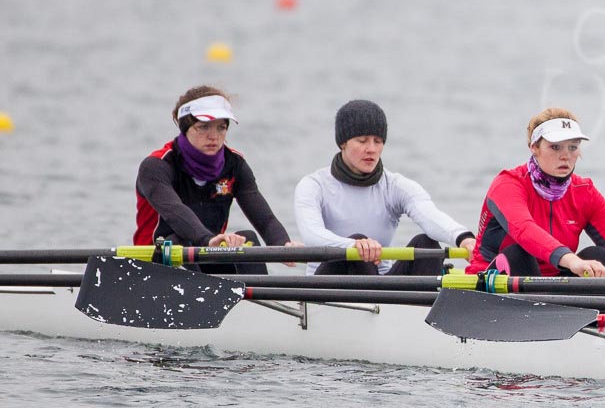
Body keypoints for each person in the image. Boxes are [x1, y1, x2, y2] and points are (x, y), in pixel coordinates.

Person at [293, 99, 476, 276]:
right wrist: (353, 246)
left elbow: (430, 215)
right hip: (326, 285)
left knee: (427, 244)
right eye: (362, 141)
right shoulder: (313, 185)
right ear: (343, 143)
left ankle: (426, 307)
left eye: (378, 141)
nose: (371, 149)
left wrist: (463, 238)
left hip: (378, 282)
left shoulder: (394, 186)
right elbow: (312, 235)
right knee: (358, 240)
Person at [133, 86, 300, 275]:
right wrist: (207, 240)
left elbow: (265, 219)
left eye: (221, 127)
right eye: (203, 127)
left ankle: (261, 299)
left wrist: (282, 245)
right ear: (185, 128)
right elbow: (175, 212)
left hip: (206, 253)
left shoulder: (235, 164)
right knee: (178, 242)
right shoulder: (156, 166)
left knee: (248, 240)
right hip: (154, 261)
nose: (214, 136)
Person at [466, 108, 605, 278]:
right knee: (520, 254)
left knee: (598, 257)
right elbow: (525, 231)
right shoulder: (508, 184)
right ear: (534, 147)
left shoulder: (585, 192)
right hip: (492, 280)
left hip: (554, 282)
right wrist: (571, 260)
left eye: (573, 147)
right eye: (555, 147)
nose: (565, 156)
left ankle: (596, 307)